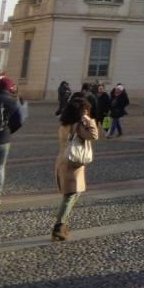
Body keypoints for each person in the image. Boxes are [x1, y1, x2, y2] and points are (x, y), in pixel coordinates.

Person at [53, 93, 98, 241]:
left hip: (64, 159)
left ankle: (62, 224)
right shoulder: (77, 126)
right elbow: (94, 135)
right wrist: (88, 120)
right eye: (85, 110)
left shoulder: (64, 123)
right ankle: (59, 226)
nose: (87, 112)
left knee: (73, 193)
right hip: (72, 163)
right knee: (70, 195)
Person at [0, 76, 24, 206]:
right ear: (9, 87)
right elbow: (20, 120)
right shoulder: (13, 101)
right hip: (2, 140)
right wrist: (8, 130)